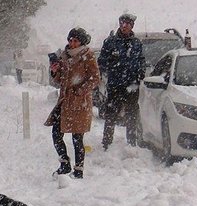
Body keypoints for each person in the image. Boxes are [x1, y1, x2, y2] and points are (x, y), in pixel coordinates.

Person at [44, 28, 100, 178]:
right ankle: (64, 163)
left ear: (81, 42)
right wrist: (55, 71)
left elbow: (95, 78)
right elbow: (60, 79)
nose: (72, 43)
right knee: (56, 133)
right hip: (64, 101)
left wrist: (80, 91)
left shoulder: (87, 56)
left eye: (75, 41)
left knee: (77, 138)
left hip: (79, 103)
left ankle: (78, 170)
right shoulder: (64, 55)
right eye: (70, 40)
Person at [98, 13, 146, 149]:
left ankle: (131, 142)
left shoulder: (136, 43)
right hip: (115, 84)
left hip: (132, 85)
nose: (124, 26)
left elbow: (141, 60)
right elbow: (101, 61)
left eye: (127, 24)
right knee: (111, 113)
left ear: (132, 26)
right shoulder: (110, 42)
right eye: (122, 23)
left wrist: (140, 73)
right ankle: (107, 143)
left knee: (132, 114)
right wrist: (111, 64)